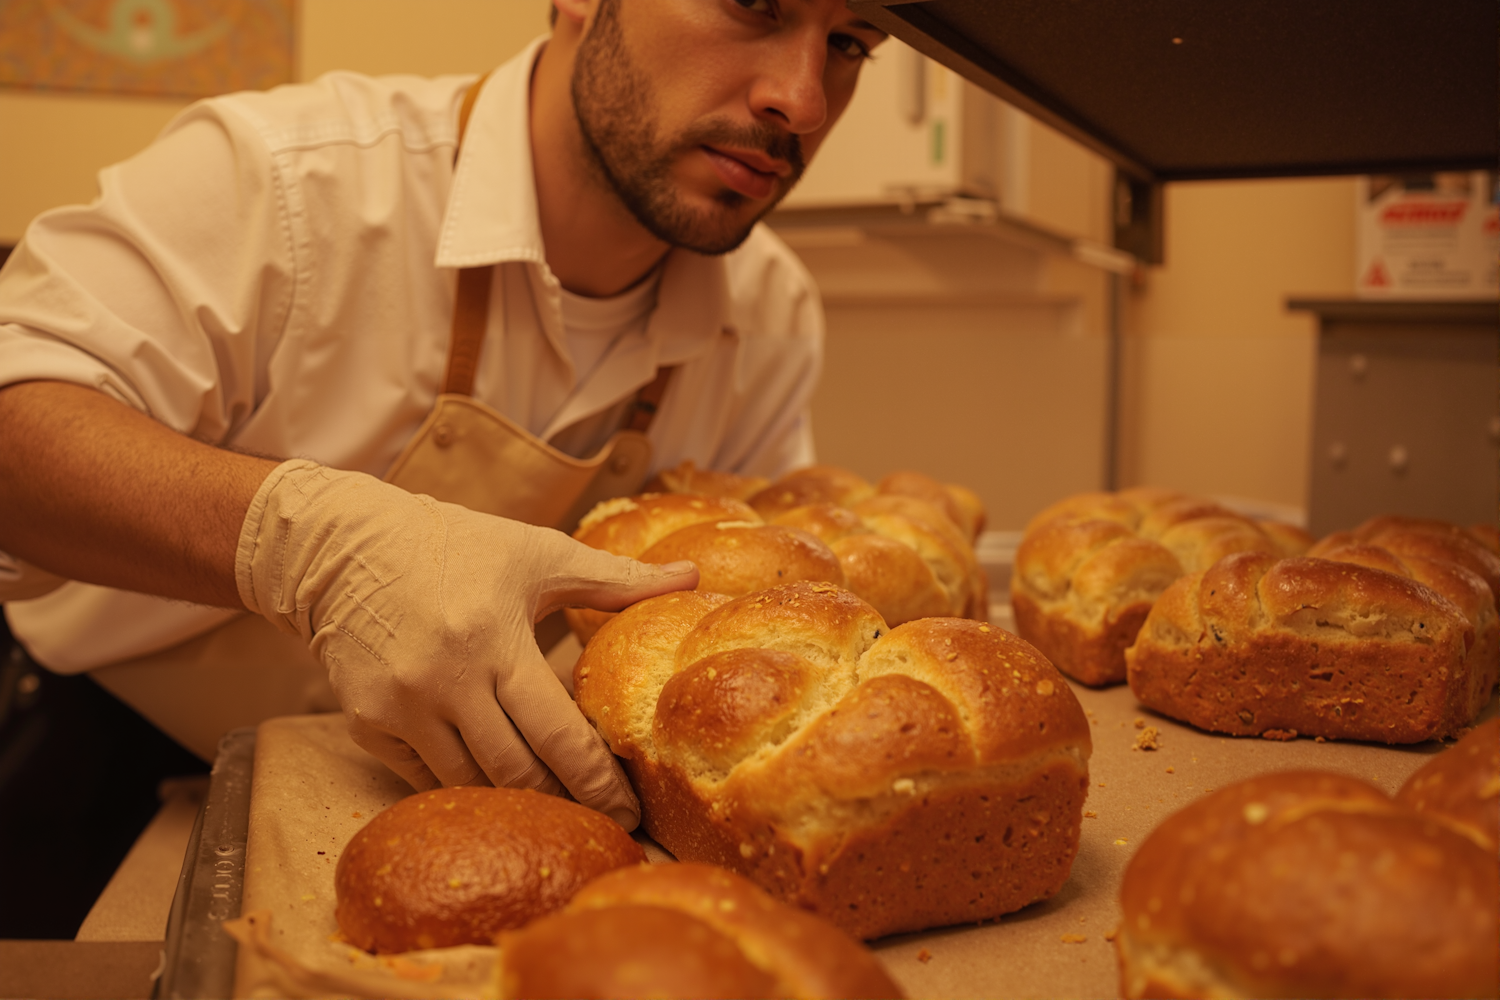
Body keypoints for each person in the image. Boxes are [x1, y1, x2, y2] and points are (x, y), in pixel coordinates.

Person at [0, 0, 885, 828]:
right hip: (109, 776)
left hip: (467, 802)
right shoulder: (286, 184)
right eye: (754, 3)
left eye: (850, 42)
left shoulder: (769, 312)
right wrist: (309, 547)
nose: (802, 102)